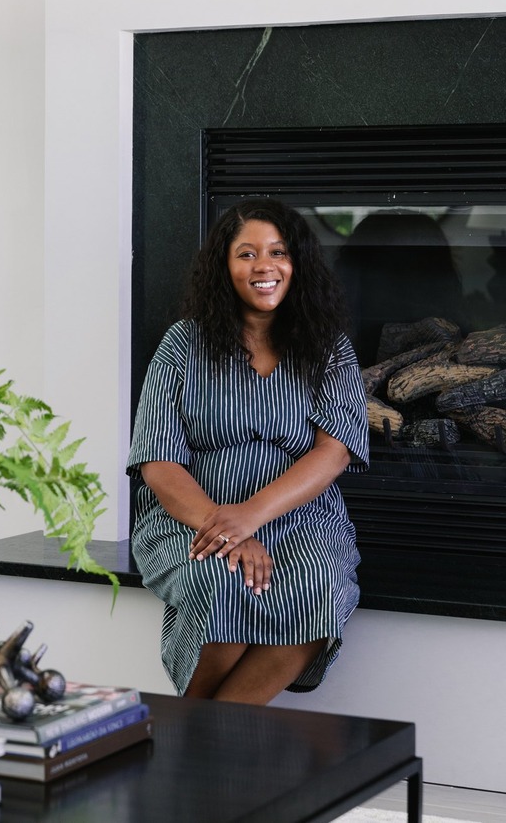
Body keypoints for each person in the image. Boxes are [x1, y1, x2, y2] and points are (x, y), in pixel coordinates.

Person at [126, 197, 369, 705]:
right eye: (246, 254)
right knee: (222, 582)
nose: (265, 267)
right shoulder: (183, 344)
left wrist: (250, 518)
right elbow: (158, 462)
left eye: (278, 252)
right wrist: (228, 529)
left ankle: (191, 743)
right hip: (193, 517)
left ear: (296, 264)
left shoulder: (329, 348)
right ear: (224, 266)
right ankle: (211, 750)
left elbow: (335, 452)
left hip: (300, 516)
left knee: (319, 590)